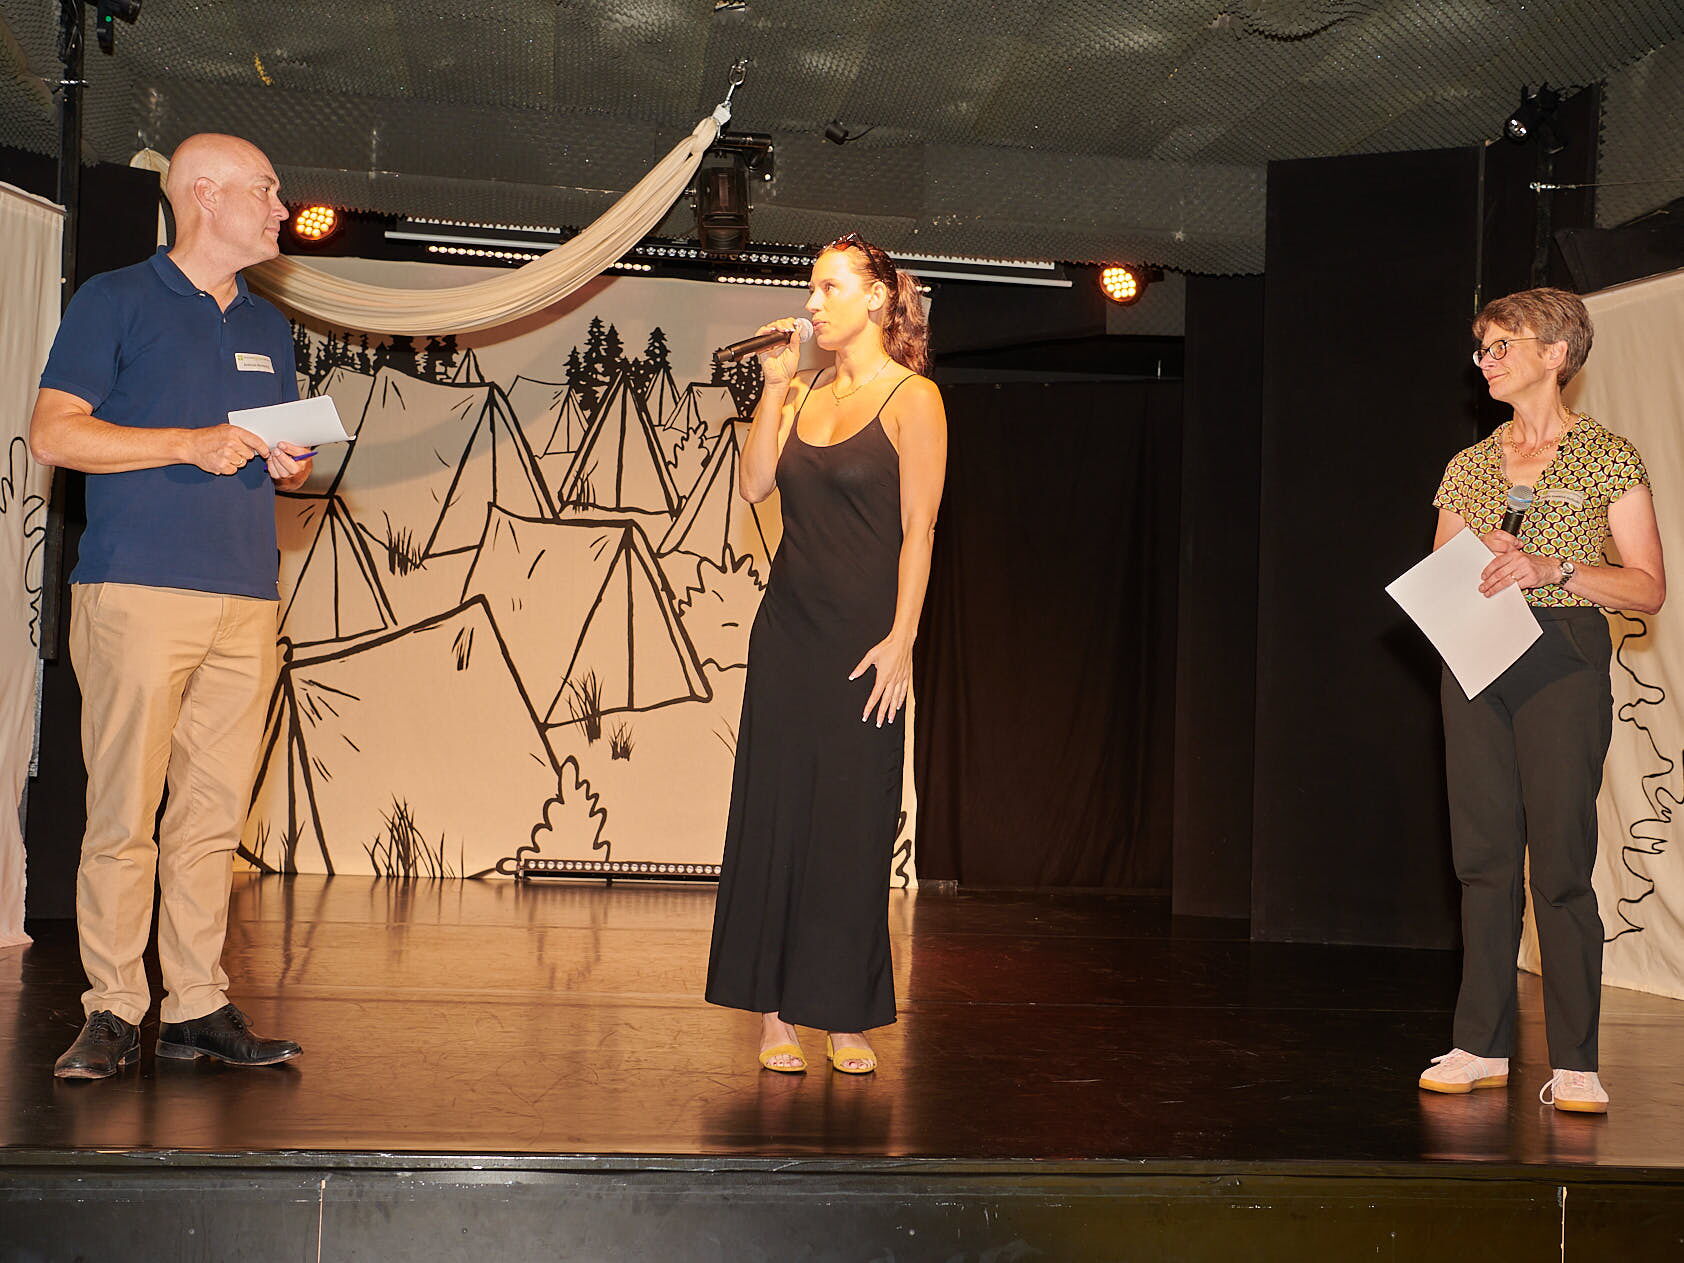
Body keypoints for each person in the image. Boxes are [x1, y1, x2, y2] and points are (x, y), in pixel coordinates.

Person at [30, 134, 314, 1079]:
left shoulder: (270, 326)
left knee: (211, 818)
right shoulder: (113, 298)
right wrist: (185, 443)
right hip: (137, 590)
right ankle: (114, 1006)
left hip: (246, 596)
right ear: (205, 195)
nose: (281, 208)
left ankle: (195, 1003)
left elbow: (267, 444)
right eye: (265, 190)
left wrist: (287, 459)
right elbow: (54, 434)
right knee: (125, 816)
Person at [705, 233, 947, 1074]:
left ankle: (844, 1015)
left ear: (876, 297)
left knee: (852, 824)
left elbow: (920, 529)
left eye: (830, 288)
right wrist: (773, 387)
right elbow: (753, 485)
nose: (812, 304)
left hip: (865, 643)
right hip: (788, 637)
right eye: (811, 289)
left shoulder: (914, 398)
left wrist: (903, 637)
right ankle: (774, 1015)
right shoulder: (801, 388)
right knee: (776, 818)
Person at [1419, 287, 1664, 1113]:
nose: (1486, 360)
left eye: (1503, 345)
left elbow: (1647, 586)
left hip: (1562, 651)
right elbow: (1440, 575)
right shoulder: (1468, 465)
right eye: (1482, 348)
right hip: (1476, 653)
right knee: (1483, 859)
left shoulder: (1608, 456)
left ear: (1557, 353)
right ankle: (1478, 1044)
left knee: (1560, 863)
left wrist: (1552, 566)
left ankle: (1578, 1061)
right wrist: (1474, 562)